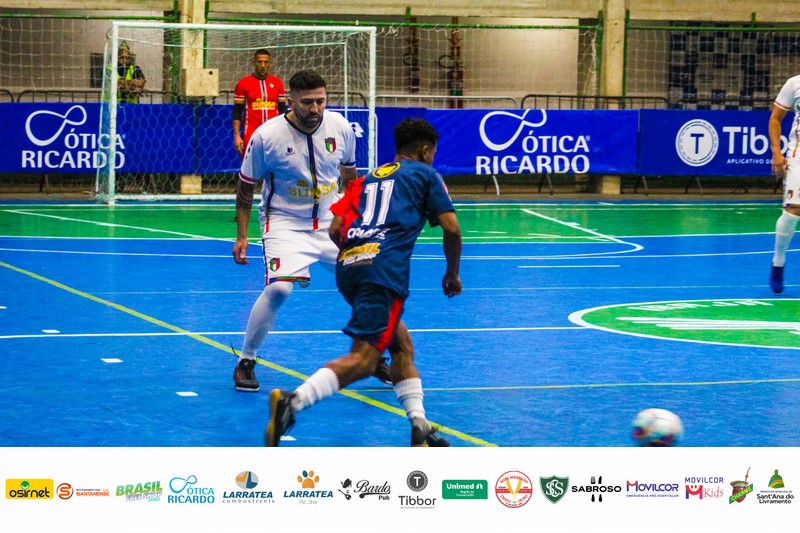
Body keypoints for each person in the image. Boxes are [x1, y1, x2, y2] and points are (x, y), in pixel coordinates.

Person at [264, 117, 463, 447]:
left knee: (401, 346)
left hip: (349, 269)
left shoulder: (364, 180)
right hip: (383, 273)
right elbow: (451, 228)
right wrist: (452, 273)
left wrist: (360, 253)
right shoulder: (426, 175)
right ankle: (293, 402)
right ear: (426, 151)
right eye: (433, 153)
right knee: (365, 360)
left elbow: (334, 229)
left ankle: (420, 426)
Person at [232, 69, 390, 393]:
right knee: (279, 289)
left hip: (331, 222)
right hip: (284, 221)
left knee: (367, 283)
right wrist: (242, 236)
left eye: (320, 100)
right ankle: (246, 360)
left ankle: (372, 355)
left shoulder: (340, 127)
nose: (315, 108)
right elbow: (246, 186)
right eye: (307, 102)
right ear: (290, 101)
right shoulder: (266, 136)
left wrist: (352, 219)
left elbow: (350, 176)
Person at [768, 74, 800, 293]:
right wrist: (777, 153)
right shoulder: (794, 83)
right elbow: (775, 119)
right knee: (792, 211)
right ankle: (778, 263)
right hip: (798, 152)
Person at [232, 49, 286, 158]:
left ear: (270, 63)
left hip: (274, 133)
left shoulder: (277, 83)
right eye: (259, 62)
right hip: (251, 133)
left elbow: (282, 110)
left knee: (274, 164)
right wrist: (236, 135)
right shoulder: (243, 83)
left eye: (266, 62)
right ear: (254, 62)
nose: (262, 65)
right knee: (251, 165)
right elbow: (237, 111)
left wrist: (285, 132)